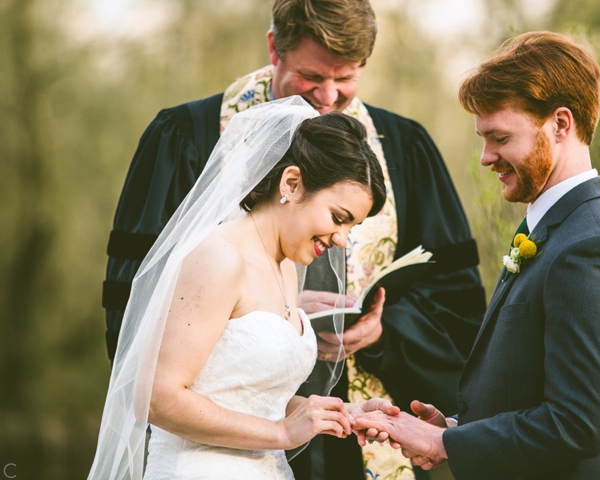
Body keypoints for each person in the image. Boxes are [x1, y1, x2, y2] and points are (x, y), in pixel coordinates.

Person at [101, 0, 485, 478]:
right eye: (311, 76)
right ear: (273, 49)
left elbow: (455, 296)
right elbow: (143, 313)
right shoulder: (183, 138)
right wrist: (240, 314)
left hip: (336, 440)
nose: (327, 97)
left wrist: (384, 340)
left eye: (345, 77)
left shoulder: (403, 146)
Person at [353, 31, 600, 480]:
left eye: (499, 138)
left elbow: (578, 425)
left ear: (561, 124)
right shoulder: (554, 231)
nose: (485, 158)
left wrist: (443, 443)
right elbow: (529, 393)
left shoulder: (593, 250)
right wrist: (452, 430)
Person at [89, 98, 400, 480]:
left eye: (352, 228)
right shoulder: (219, 257)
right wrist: (281, 433)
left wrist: (329, 412)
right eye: (339, 219)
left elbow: (248, 397)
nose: (341, 240)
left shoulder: (284, 266)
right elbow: (155, 398)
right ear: (291, 183)